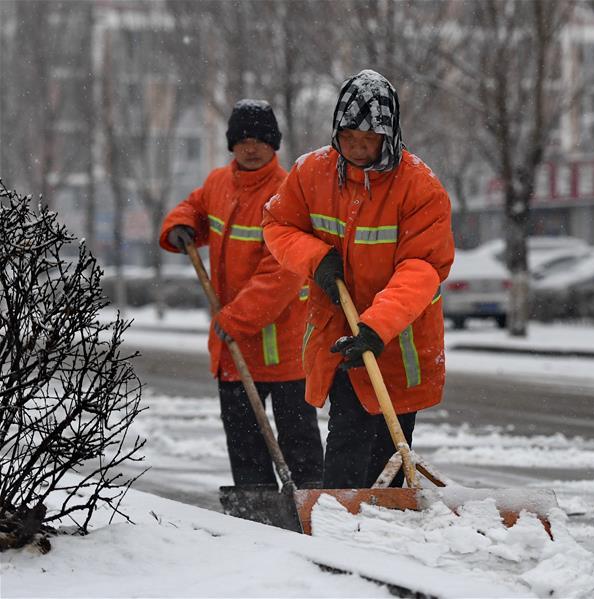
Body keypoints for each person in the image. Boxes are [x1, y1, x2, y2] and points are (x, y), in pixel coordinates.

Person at [262, 69, 454, 489]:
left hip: (398, 345)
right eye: (348, 138)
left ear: (389, 135)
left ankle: (380, 531)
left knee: (386, 453)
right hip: (342, 336)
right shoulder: (312, 173)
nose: (357, 148)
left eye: (368, 140)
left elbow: (422, 268)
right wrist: (316, 259)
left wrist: (377, 325)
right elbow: (276, 225)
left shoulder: (419, 188)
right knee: (346, 445)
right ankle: (338, 528)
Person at [159, 99, 323, 488]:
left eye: (261, 140)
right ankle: (255, 507)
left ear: (274, 145)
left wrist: (234, 319)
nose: (251, 148)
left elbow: (280, 274)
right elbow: (192, 209)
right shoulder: (219, 184)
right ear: (232, 143)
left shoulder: (288, 193)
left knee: (299, 444)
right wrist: (180, 226)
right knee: (245, 446)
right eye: (244, 140)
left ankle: (311, 505)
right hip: (233, 352)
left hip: (284, 353)